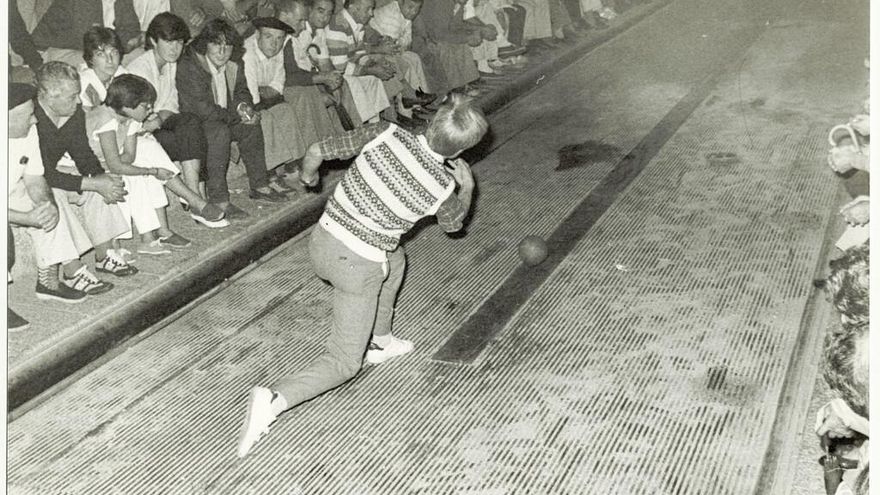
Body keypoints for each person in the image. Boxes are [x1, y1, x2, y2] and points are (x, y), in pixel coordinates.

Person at [237, 93, 487, 457]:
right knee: (343, 363)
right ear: (461, 152)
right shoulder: (440, 187)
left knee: (396, 258)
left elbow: (318, 149)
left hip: (322, 240)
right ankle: (275, 398)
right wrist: (466, 187)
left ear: (433, 121)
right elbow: (454, 224)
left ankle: (381, 341)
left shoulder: (386, 132)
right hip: (356, 266)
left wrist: (309, 176)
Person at [35, 61, 136, 292]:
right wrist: (92, 182)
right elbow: (41, 174)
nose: (79, 101)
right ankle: (72, 270)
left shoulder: (73, 113)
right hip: (26, 179)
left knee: (99, 179)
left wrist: (103, 180)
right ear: (50, 96)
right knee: (56, 194)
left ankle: (104, 255)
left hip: (49, 172)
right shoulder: (32, 117)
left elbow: (82, 153)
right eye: (72, 96)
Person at [176, 18, 286, 219]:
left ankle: (259, 186)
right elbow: (202, 109)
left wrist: (245, 110)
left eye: (227, 47)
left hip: (223, 116)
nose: (222, 52)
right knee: (219, 131)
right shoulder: (191, 64)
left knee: (251, 125)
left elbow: (242, 92)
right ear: (205, 44)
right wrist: (237, 115)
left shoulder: (235, 61)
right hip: (194, 123)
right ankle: (220, 200)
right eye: (216, 45)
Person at [126, 13, 229, 227]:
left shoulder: (172, 63)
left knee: (191, 122)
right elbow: (135, 118)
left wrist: (161, 117)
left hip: (159, 124)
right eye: (169, 42)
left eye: (180, 42)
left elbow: (171, 105)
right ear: (154, 41)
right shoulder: (139, 68)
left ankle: (193, 198)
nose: (175, 48)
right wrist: (156, 118)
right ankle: (197, 201)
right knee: (192, 132)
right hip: (139, 133)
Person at [87, 74, 206, 254]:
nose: (150, 109)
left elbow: (129, 156)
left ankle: (149, 238)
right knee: (135, 175)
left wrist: (139, 168)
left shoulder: (131, 118)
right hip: (84, 165)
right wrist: (152, 170)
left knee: (140, 169)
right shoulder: (106, 120)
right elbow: (116, 166)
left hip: (107, 161)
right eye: (145, 105)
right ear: (127, 105)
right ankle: (127, 243)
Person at [8, 82, 92, 307]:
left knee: (50, 202)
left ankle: (49, 282)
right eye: (28, 115)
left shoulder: (29, 130)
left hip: (10, 190)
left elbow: (34, 177)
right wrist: (26, 218)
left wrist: (45, 204)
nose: (35, 120)